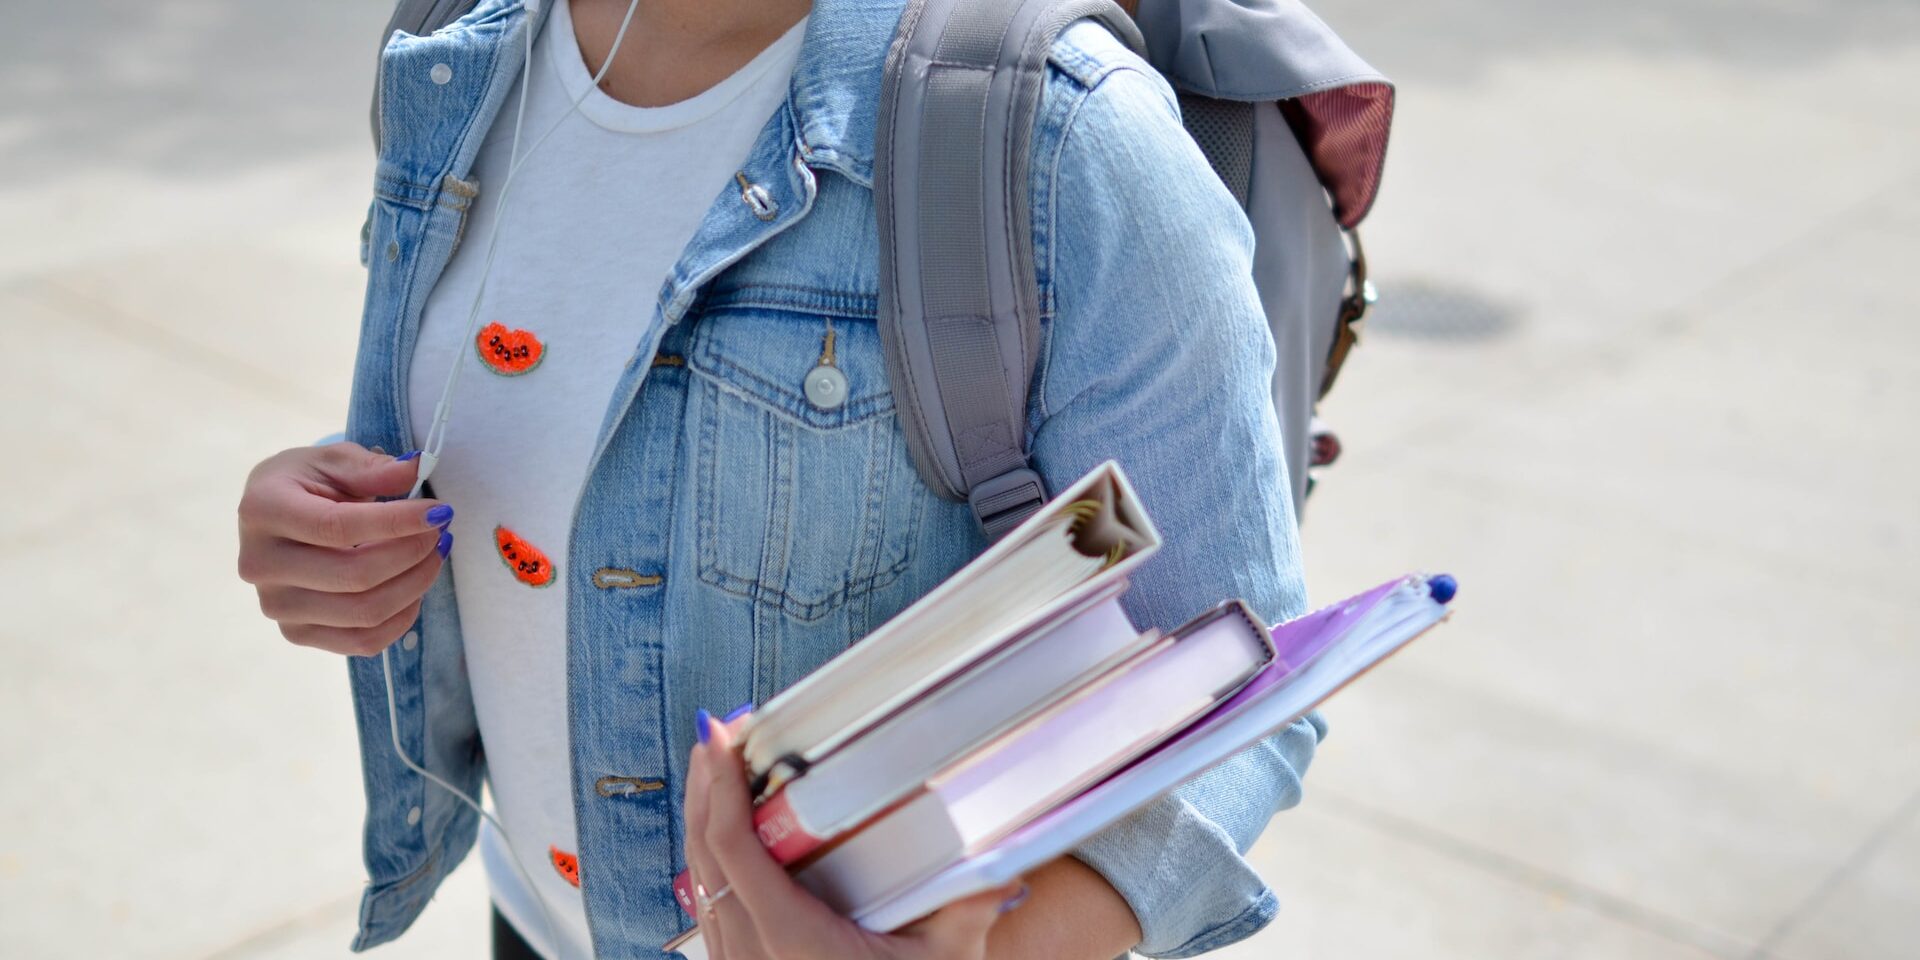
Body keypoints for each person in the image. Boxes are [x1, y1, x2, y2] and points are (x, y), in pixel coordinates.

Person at [235, 0, 1325, 956]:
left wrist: (1012, 952)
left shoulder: (1063, 137)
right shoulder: (455, 41)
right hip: (532, 916)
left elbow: (1239, 675)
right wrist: (326, 532)